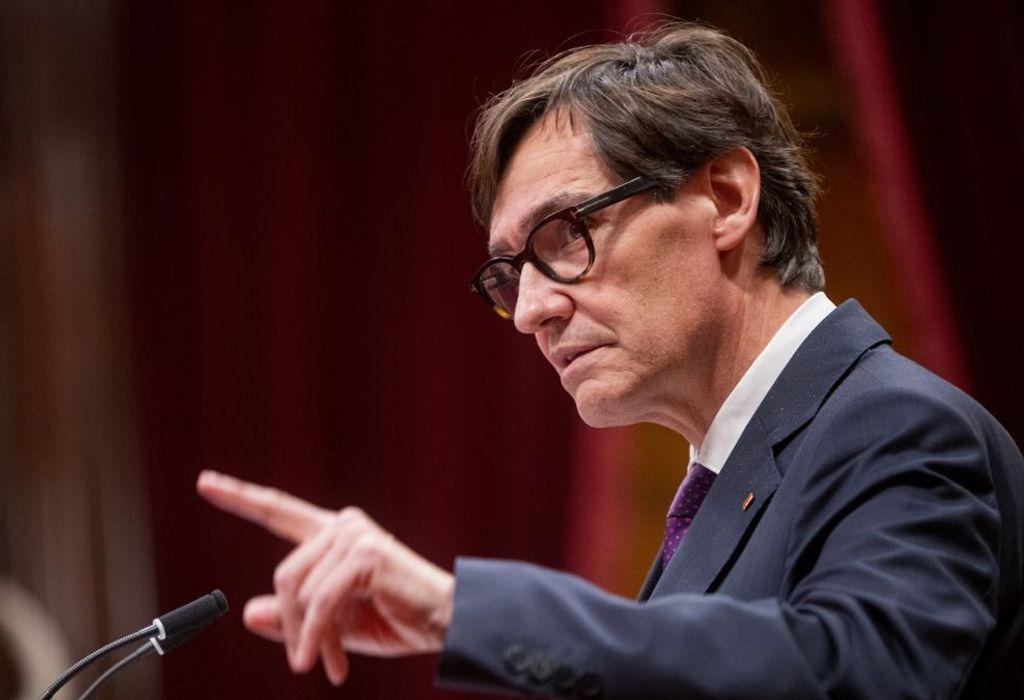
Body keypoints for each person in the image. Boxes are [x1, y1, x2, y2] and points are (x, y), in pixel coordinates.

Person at [196, 21, 1024, 698]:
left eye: (567, 235)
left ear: (726, 198)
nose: (530, 311)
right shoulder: (728, 482)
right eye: (509, 274)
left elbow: (856, 676)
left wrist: (464, 611)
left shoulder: (895, 425)